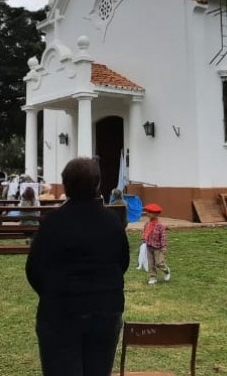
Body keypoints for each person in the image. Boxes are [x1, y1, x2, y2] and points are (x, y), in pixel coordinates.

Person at [26, 158, 129, 376]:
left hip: (60, 313)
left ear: (66, 186)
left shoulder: (52, 223)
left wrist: (54, 293)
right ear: (97, 185)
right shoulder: (112, 223)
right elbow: (122, 263)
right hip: (106, 311)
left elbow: (34, 269)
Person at [142, 203, 171, 285]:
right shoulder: (147, 224)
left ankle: (166, 270)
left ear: (156, 214)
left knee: (158, 263)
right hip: (149, 247)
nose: (148, 214)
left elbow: (163, 237)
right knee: (151, 263)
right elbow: (145, 233)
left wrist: (164, 247)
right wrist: (143, 239)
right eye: (148, 212)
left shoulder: (160, 226)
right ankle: (153, 277)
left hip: (158, 248)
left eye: (150, 212)